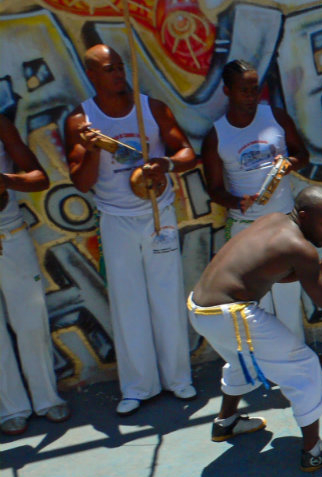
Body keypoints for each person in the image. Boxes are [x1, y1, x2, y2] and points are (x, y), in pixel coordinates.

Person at [64, 44, 198, 416]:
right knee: (127, 303)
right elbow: (81, 183)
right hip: (116, 219)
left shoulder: (150, 108)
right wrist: (92, 151)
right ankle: (138, 387)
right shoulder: (81, 120)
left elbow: (187, 153)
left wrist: (165, 164)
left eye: (120, 67)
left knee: (167, 294)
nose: (118, 74)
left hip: (158, 213)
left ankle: (178, 378)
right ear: (91, 75)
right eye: (109, 69)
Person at [188, 186, 322, 471]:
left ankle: (226, 422)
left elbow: (274, 272)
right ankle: (313, 451)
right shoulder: (299, 246)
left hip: (200, 309)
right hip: (231, 314)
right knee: (303, 365)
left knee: (241, 358)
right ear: (304, 216)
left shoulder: (273, 222)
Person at [202, 60, 310, 340]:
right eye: (244, 90)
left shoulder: (275, 117)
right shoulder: (216, 135)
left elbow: (303, 156)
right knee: (253, 303)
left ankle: (296, 356)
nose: (251, 96)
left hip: (283, 224)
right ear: (227, 91)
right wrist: (236, 201)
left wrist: (288, 164)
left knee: (288, 295)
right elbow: (213, 188)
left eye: (254, 89)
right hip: (245, 229)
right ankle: (264, 362)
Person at [0, 114, 69, 435]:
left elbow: (40, 178)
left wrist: (5, 181)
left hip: (10, 236)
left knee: (31, 321)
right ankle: (10, 407)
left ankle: (46, 398)